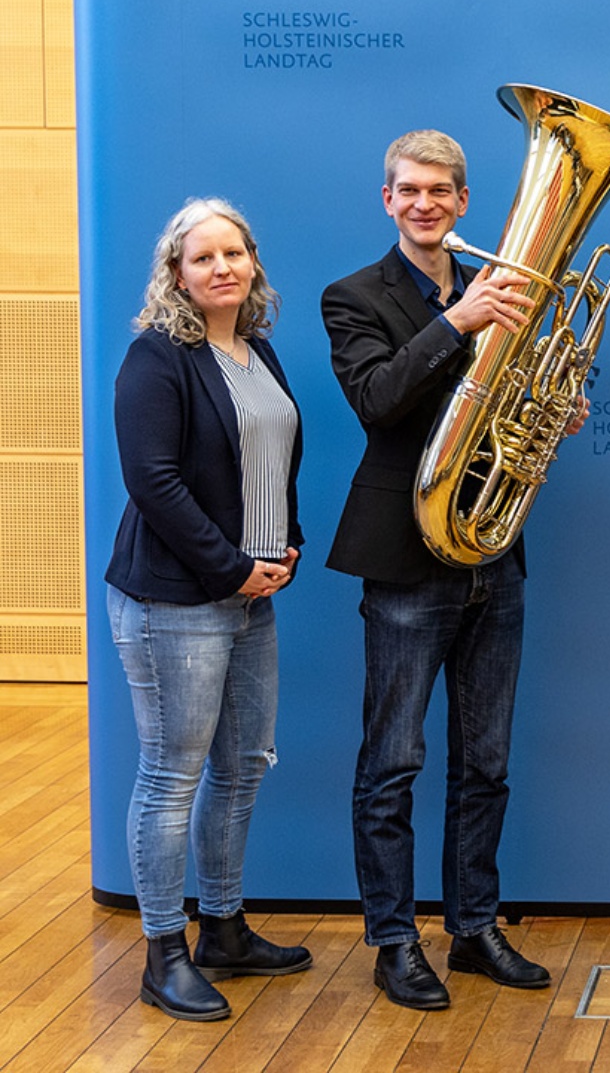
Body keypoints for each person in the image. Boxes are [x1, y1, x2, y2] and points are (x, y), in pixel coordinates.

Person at [322, 129, 555, 1010]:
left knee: (485, 760)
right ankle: (392, 940)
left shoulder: (510, 293)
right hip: (407, 559)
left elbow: (514, 400)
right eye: (408, 191)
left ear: (465, 202)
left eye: (441, 192)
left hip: (494, 553)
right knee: (393, 762)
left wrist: (550, 406)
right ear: (388, 199)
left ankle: (473, 927)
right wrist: (456, 321)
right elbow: (378, 398)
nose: (425, 205)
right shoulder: (353, 296)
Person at [107, 198, 313, 1021]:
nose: (222, 267)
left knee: (241, 767)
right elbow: (154, 482)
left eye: (235, 253)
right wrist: (232, 566)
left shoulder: (255, 351)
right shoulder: (156, 358)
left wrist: (283, 545)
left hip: (250, 595)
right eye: (203, 258)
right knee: (171, 777)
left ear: (253, 263)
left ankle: (223, 928)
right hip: (174, 602)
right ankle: (164, 951)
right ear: (177, 275)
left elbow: (269, 459)